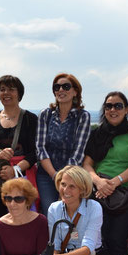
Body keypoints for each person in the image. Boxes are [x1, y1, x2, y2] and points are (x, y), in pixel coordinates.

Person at [83, 91, 128, 255]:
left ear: (126, 110)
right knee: (97, 240)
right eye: (108, 106)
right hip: (98, 190)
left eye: (118, 106)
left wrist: (113, 183)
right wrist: (98, 182)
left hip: (123, 193)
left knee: (117, 241)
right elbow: (87, 164)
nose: (113, 109)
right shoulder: (97, 134)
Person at [0, 75, 38, 220]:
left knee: (21, 218)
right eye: (2, 89)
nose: (6, 93)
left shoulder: (30, 119)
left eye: (11, 89)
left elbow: (36, 151)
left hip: (22, 176)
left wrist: (15, 170)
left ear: (19, 93)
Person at [35, 73, 90, 213]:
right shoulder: (45, 115)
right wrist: (55, 176)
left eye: (66, 86)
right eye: (57, 87)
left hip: (72, 177)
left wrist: (64, 180)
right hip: (46, 175)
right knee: (50, 213)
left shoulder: (82, 116)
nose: (61, 90)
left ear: (75, 91)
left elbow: (78, 152)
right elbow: (40, 148)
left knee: (69, 213)